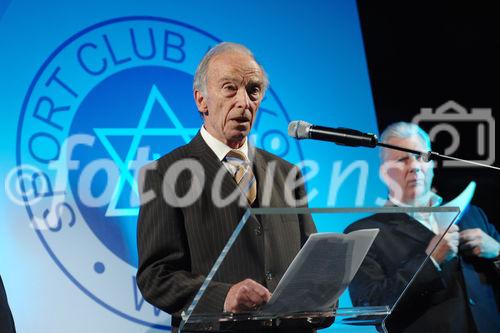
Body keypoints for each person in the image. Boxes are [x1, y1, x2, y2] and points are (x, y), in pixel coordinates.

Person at [136, 42, 319, 332]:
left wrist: (322, 298)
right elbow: (156, 276)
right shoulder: (165, 174)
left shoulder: (287, 173)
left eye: (253, 91)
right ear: (201, 101)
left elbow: (313, 264)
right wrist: (223, 296)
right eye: (230, 88)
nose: (244, 102)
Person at [346, 122, 500, 333]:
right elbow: (370, 308)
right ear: (384, 173)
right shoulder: (363, 233)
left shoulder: (472, 213)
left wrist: (497, 252)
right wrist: (431, 261)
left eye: (421, 157)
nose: (415, 166)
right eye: (402, 159)